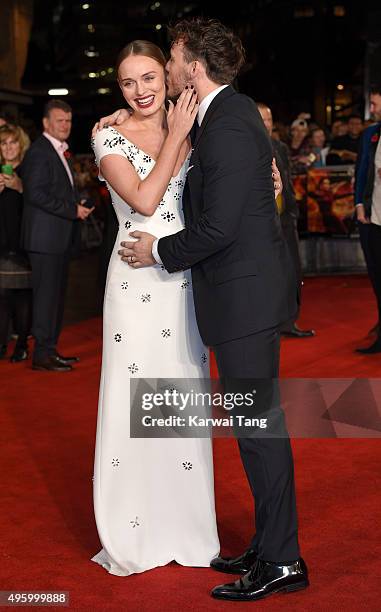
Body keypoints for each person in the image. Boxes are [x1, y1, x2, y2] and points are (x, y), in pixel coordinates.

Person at [114, 18, 308, 602]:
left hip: (243, 299)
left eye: (172, 60)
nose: (169, 71)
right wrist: (121, 123)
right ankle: (269, 541)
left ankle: (282, 560)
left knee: (258, 432)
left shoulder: (223, 125)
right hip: (248, 294)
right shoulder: (232, 113)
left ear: (194, 64)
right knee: (255, 429)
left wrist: (159, 251)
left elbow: (220, 225)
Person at [91, 39, 220, 577]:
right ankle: (132, 528)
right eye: (128, 82)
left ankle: (187, 526)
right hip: (134, 282)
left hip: (185, 281)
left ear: (166, 79)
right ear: (118, 89)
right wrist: (178, 136)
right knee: (133, 404)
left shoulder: (196, 127)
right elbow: (144, 199)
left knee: (182, 403)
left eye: (149, 77)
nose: (140, 90)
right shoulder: (107, 133)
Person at [21, 99, 93, 372]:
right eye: (60, 120)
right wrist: (71, 209)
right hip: (44, 239)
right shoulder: (39, 152)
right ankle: (42, 353)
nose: (66, 125)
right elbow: (35, 193)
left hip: (56, 238)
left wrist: (79, 201)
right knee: (46, 297)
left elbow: (58, 189)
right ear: (46, 123)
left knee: (56, 297)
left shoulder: (60, 151)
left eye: (69, 120)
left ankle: (49, 349)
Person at [257, 103, 315, 339]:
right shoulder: (244, 146)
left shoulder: (279, 147)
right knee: (266, 274)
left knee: (292, 271)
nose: (265, 124)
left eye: (269, 119)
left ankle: (288, 322)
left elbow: (287, 182)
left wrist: (292, 212)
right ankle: (265, 323)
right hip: (260, 223)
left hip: (285, 219)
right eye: (261, 119)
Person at [0, 124, 32, 362]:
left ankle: (21, 344)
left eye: (12, 142)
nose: (8, 147)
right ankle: (2, 344)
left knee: (21, 295)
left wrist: (20, 187)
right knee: (2, 296)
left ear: (20, 145)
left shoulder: (29, 169)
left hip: (23, 243)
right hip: (2, 243)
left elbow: (38, 203)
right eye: (3, 143)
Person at [354, 85, 381, 353]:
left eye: (374, 104)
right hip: (372, 218)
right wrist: (358, 203)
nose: (371, 109)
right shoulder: (370, 135)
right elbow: (361, 171)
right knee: (376, 276)